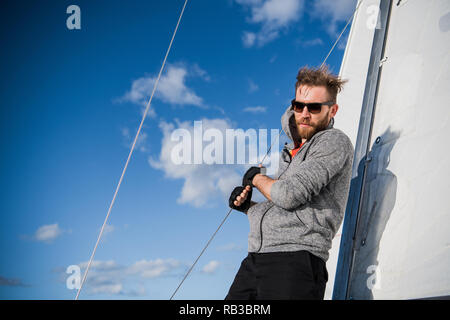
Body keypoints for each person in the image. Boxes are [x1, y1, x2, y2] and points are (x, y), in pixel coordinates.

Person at [225, 65, 354, 300]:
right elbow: (283, 208)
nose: (305, 113)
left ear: (332, 110)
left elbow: (289, 195)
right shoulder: (292, 153)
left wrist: (257, 178)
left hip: (296, 262)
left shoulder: (334, 142)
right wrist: (248, 208)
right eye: (299, 106)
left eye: (314, 107)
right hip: (256, 259)